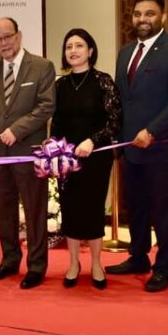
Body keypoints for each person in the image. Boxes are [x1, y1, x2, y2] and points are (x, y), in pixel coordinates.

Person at [106, 0, 168, 292]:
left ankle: (164, 266)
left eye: (149, 13)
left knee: (164, 211)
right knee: (137, 208)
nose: (142, 19)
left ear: (162, 16)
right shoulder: (125, 52)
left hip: (163, 148)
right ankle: (138, 257)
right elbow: (123, 100)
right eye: (137, 14)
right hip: (131, 149)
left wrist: (152, 131)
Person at [0, 17, 56, 289]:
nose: (4, 43)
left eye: (8, 37)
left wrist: (16, 130)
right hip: (0, 155)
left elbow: (46, 106)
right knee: (4, 210)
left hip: (29, 153)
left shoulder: (42, 66)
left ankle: (36, 267)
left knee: (35, 212)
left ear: (19, 36)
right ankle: (9, 260)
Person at [51, 28, 121, 290]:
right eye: (69, 46)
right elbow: (56, 123)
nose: (73, 51)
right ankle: (73, 263)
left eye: (79, 45)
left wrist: (93, 140)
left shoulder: (103, 81)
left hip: (96, 158)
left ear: (90, 51)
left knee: (92, 210)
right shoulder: (60, 85)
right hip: (67, 160)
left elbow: (115, 121)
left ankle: (96, 263)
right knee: (70, 210)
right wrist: (54, 149)